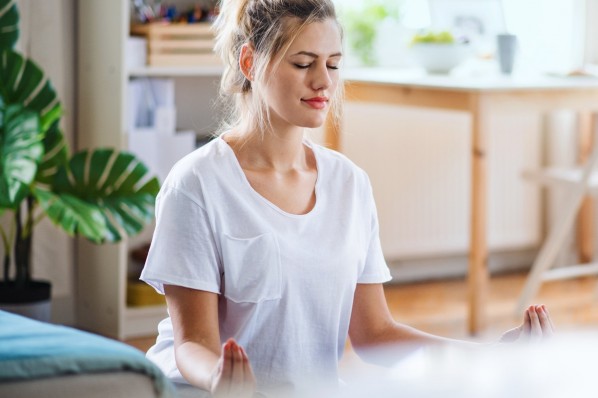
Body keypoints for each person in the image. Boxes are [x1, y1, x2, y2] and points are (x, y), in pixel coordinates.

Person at [140, 0, 554, 397]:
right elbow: (192, 343)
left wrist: (492, 358)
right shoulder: (196, 184)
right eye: (303, 63)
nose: (323, 81)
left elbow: (375, 334)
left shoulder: (349, 184)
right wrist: (218, 378)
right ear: (250, 63)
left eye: (333, 64)